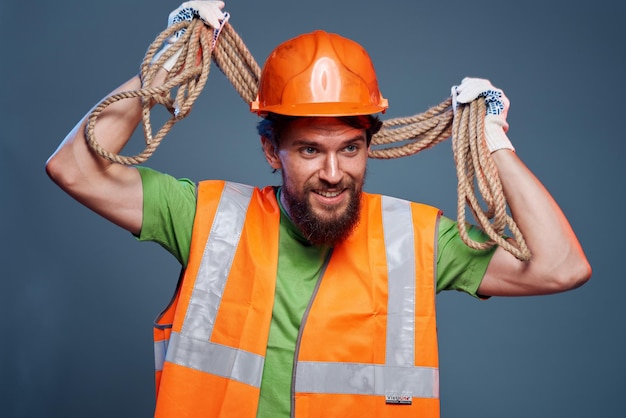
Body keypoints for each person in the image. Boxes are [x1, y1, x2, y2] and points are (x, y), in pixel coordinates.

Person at [45, 1, 591, 417]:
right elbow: (74, 167)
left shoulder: (417, 238)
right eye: (310, 149)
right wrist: (169, 63)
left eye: (349, 148)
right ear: (270, 151)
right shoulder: (206, 216)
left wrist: (492, 141)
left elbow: (561, 266)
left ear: (368, 146)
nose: (333, 173)